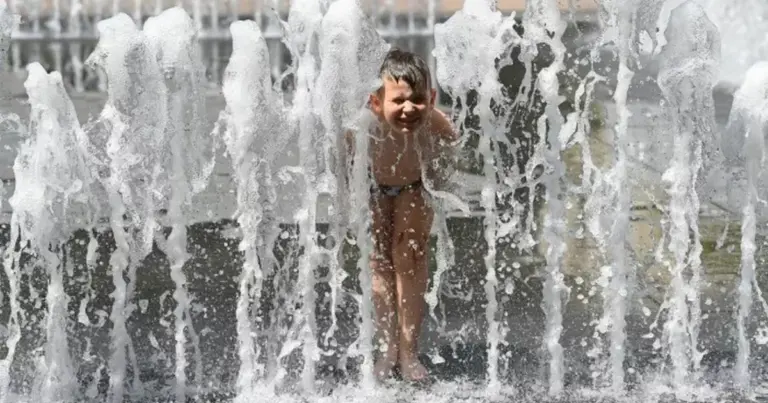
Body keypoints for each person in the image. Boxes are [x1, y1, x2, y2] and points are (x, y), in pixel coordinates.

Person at [346, 48, 458, 383]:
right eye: (398, 101)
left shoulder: (438, 126)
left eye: (418, 99)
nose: (409, 108)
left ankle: (409, 351)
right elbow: (345, 172)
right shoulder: (361, 130)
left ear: (432, 97)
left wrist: (431, 196)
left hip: (414, 188)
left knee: (409, 257)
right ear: (376, 103)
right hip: (375, 191)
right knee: (380, 262)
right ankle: (387, 350)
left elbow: (444, 172)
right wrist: (355, 204)